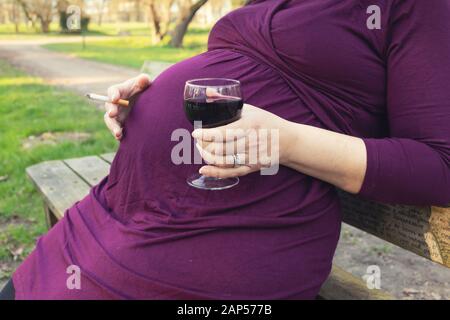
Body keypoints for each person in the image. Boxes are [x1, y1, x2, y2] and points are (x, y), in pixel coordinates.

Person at [2, 0, 449, 300]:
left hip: (216, 242)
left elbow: (439, 166)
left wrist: (286, 140)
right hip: (116, 211)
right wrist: (149, 99)